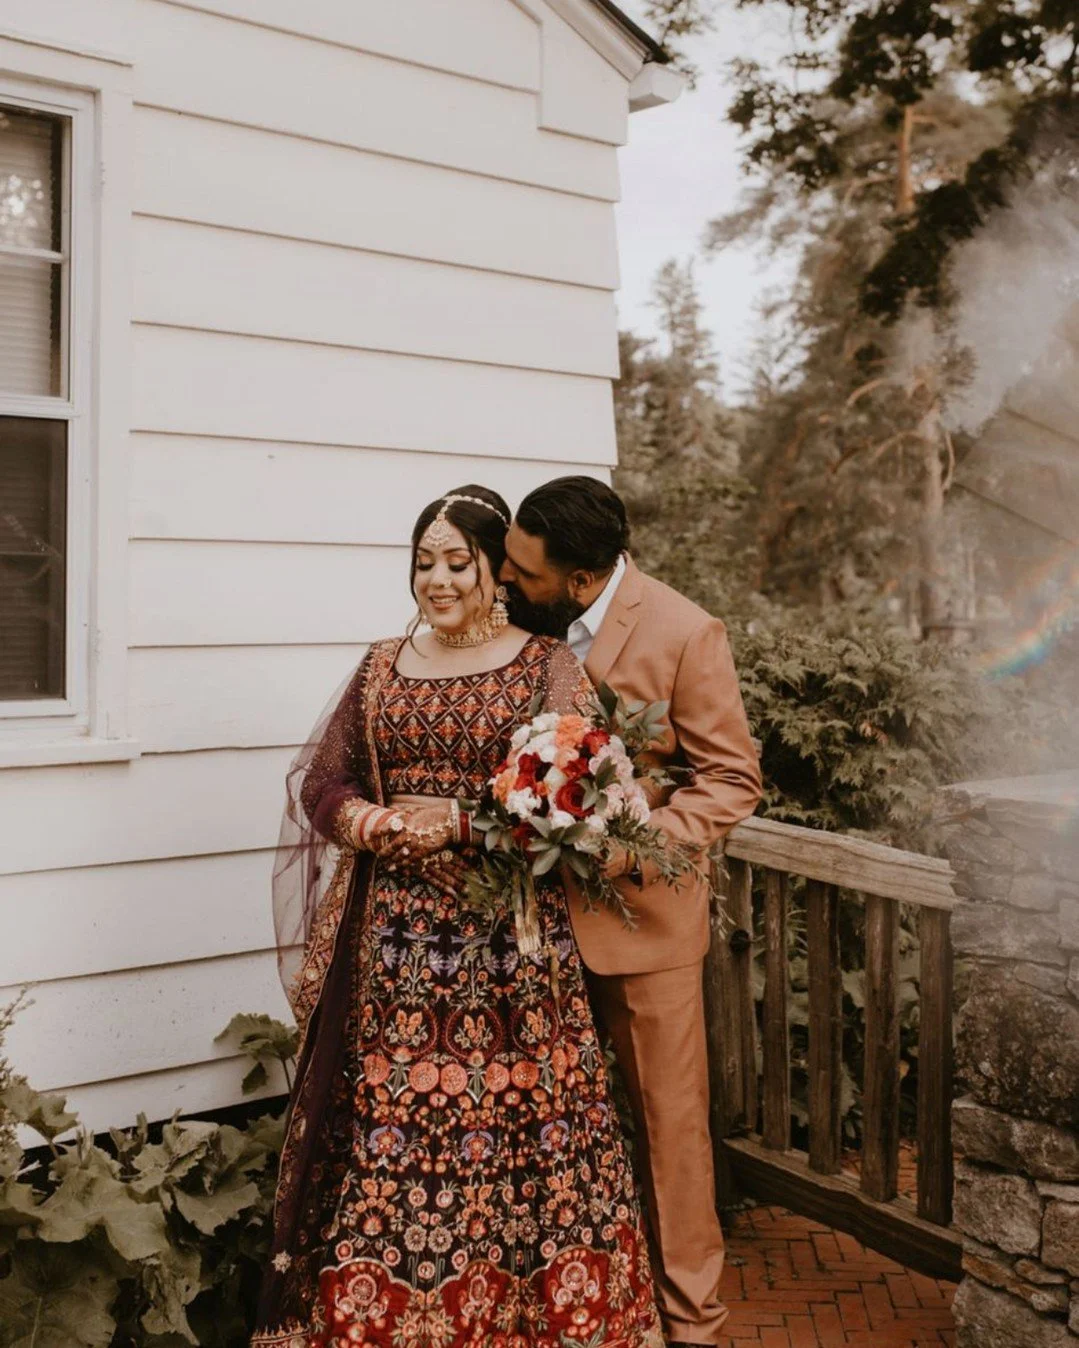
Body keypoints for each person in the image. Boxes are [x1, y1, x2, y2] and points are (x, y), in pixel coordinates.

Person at [253, 485, 661, 1347]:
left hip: (507, 944)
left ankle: (528, 1317)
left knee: (515, 1129)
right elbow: (322, 781)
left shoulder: (543, 664)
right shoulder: (379, 665)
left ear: (494, 572)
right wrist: (366, 823)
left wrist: (477, 827)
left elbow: (582, 796)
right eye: (422, 563)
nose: (437, 581)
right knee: (393, 1133)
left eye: (456, 563)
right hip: (392, 947)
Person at [500, 475, 763, 1348]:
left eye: (521, 571)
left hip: (643, 929)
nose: (505, 582)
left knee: (666, 1129)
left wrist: (628, 837)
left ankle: (692, 1322)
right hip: (525, 927)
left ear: (579, 580)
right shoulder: (516, 633)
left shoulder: (686, 633)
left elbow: (730, 779)